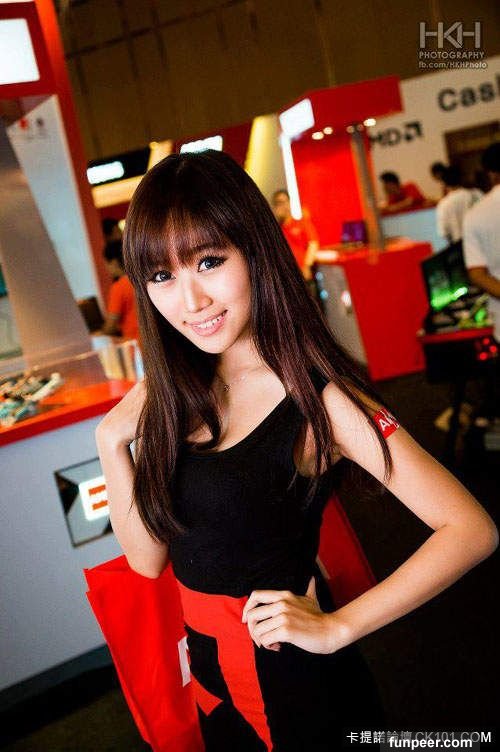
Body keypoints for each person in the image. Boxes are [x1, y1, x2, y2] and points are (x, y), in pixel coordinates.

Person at [95, 151, 498, 751]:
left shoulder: (320, 399)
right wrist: (110, 442)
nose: (191, 300)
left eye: (209, 262)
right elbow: (149, 560)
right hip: (210, 678)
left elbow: (470, 528)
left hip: (293, 685)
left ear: (254, 251)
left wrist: (339, 627)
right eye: (161, 276)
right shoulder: (177, 393)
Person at [271, 189, 319, 279]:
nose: (283, 206)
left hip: (303, 273)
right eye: (278, 203)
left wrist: (307, 266)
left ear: (289, 202)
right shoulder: (275, 231)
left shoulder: (302, 223)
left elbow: (313, 244)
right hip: (286, 275)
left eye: (285, 201)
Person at [102, 239, 139, 340]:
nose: (106, 269)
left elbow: (111, 326)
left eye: (106, 264)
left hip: (134, 343)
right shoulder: (142, 279)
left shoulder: (119, 287)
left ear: (113, 262)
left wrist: (99, 335)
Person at [436, 165, 483, 244]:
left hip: (459, 245)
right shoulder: (477, 193)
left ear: (444, 183)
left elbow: (444, 232)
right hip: (481, 241)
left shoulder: (443, 204)